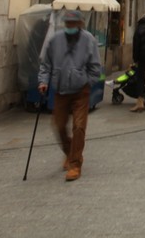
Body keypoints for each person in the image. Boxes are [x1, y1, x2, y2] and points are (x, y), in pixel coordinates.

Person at [38, 9, 102, 182]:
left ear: (80, 24)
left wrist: (87, 81)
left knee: (79, 127)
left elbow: (96, 66)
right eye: (68, 24)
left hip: (81, 91)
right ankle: (69, 152)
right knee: (59, 125)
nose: (70, 27)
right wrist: (43, 81)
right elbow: (45, 64)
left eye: (74, 24)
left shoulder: (89, 40)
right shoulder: (55, 40)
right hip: (60, 90)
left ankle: (75, 164)